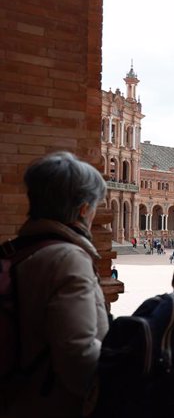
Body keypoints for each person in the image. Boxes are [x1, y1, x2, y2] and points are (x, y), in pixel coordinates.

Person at [2, 152, 108, 417]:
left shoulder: (13, 251)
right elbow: (78, 357)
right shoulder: (68, 259)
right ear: (84, 209)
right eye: (95, 205)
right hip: (51, 404)